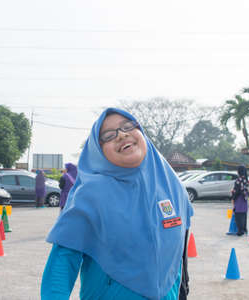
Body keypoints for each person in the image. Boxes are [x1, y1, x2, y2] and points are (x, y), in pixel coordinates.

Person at [41, 108, 194, 300]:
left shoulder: (172, 186)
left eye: (128, 126)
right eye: (109, 135)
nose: (122, 134)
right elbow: (62, 264)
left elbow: (179, 257)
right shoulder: (90, 195)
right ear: (99, 151)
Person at [231, 165, 249, 236]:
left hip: (239, 198)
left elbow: (236, 190)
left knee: (238, 215)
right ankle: (244, 229)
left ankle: (240, 231)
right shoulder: (246, 179)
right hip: (245, 198)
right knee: (244, 214)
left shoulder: (239, 180)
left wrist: (233, 197)